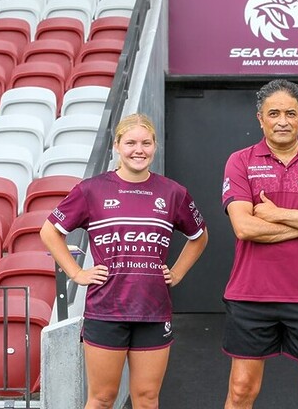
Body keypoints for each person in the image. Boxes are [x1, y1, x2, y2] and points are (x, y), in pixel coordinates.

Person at [40, 113, 208, 409]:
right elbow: (50, 232)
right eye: (130, 142)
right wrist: (77, 273)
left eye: (146, 143)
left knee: (146, 399)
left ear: (155, 146)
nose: (138, 150)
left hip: (153, 310)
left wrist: (178, 272)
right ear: (117, 145)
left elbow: (200, 235)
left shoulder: (173, 193)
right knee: (102, 399)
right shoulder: (91, 190)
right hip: (106, 310)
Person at [221, 79, 298, 409]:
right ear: (259, 118)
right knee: (240, 389)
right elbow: (244, 227)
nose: (282, 120)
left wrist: (277, 214)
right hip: (250, 293)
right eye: (273, 113)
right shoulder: (240, 161)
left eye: (290, 113)